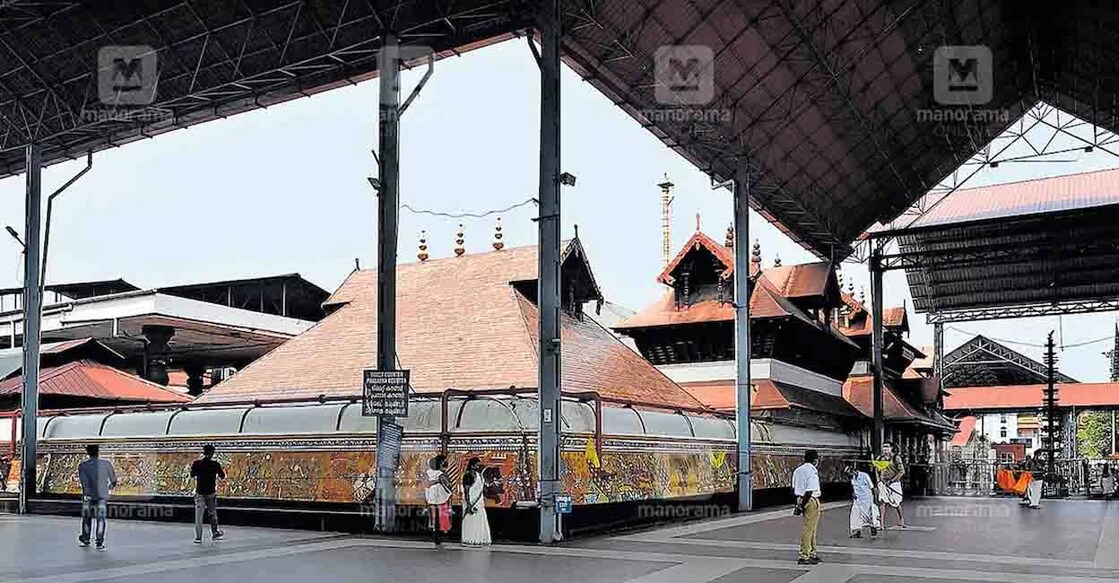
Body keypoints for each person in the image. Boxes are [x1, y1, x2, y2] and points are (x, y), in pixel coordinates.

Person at [77, 444, 116, 550]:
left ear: (88, 453)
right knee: (101, 519)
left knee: (86, 519)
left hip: (88, 496)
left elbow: (84, 482)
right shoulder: (106, 464)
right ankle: (99, 542)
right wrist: (108, 488)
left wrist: (87, 493)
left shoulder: (83, 466)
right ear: (98, 452)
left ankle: (85, 539)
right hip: (102, 496)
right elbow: (113, 480)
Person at [190, 445, 226, 543]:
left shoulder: (197, 463)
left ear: (204, 452)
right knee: (212, 514)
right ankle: (215, 533)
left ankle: (198, 537)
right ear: (212, 453)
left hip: (200, 493)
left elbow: (192, 474)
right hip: (211, 493)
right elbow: (222, 476)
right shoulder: (215, 464)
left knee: (198, 516)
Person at [792, 449, 821, 565]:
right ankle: (804, 555)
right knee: (809, 529)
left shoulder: (798, 470)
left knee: (811, 528)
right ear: (815, 460)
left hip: (800, 499)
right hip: (810, 500)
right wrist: (802, 505)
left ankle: (812, 553)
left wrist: (798, 504)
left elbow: (793, 489)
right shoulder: (812, 471)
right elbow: (809, 491)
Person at [460, 457, 491, 546]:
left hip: (479, 502)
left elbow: (481, 488)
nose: (478, 466)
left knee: (480, 520)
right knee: (471, 520)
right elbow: (466, 490)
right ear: (472, 465)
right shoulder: (468, 475)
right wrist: (469, 504)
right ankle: (469, 539)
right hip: (470, 501)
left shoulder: (479, 475)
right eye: (477, 465)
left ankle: (480, 539)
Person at [875, 441, 906, 529]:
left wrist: (892, 480)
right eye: (884, 447)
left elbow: (901, 471)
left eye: (887, 447)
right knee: (882, 502)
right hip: (883, 483)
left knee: (896, 503)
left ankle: (901, 519)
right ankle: (881, 524)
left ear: (891, 448)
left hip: (894, 483)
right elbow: (877, 470)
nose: (885, 449)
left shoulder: (896, 458)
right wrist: (878, 481)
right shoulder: (880, 458)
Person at [424, 454, 453, 547]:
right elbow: (447, 483)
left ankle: (435, 534)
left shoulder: (427, 472)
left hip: (430, 495)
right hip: (439, 495)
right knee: (439, 516)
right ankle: (438, 536)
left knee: (434, 516)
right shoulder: (440, 473)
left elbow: (425, 482)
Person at [847, 463, 880, 538]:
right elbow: (854, 488)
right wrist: (854, 495)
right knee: (855, 515)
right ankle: (857, 531)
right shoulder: (852, 478)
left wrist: (875, 500)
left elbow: (873, 488)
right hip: (858, 499)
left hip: (867, 499)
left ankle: (873, 527)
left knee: (869, 514)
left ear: (854, 471)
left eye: (849, 473)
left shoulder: (864, 476)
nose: (849, 475)